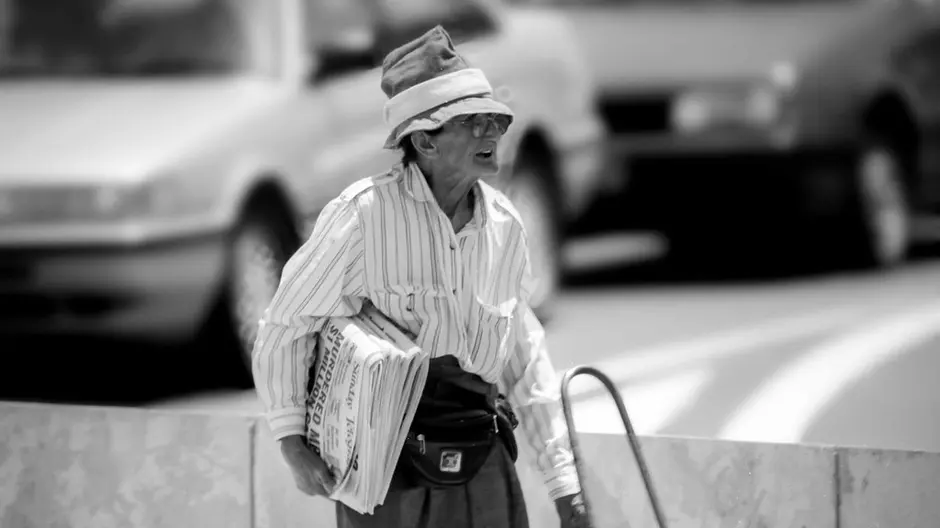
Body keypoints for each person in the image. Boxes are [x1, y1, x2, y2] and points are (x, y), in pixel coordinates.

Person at [252, 25, 589, 528]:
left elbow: (522, 353)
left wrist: (564, 483)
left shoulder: (504, 226)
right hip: (388, 464)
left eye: (494, 120)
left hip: (480, 454)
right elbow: (287, 325)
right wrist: (291, 442)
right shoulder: (362, 216)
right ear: (425, 141)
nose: (492, 132)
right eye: (471, 122)